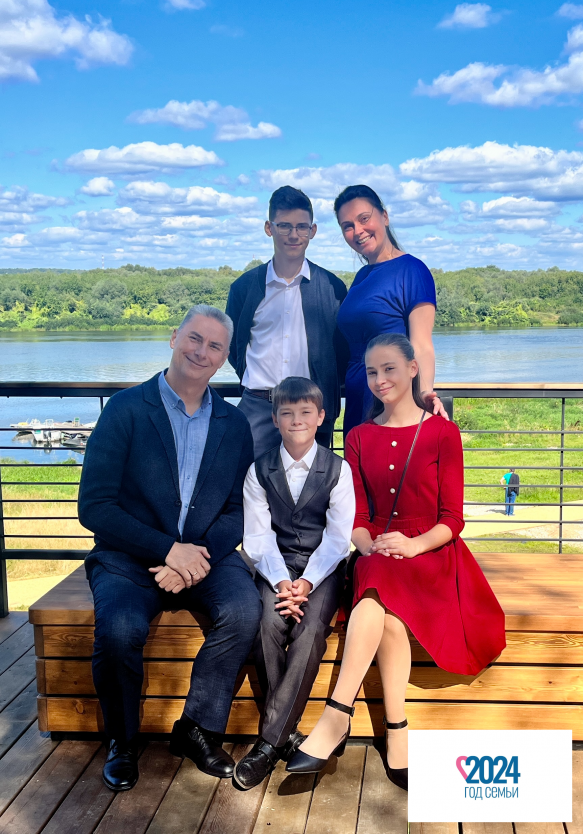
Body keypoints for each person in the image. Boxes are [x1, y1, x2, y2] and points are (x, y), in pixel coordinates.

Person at [287, 333, 506, 790]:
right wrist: (366, 544)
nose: (380, 379)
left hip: (432, 554)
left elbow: (453, 519)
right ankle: (395, 731)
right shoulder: (358, 436)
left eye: (389, 368)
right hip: (377, 551)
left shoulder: (442, 432)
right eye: (372, 372)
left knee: (379, 599)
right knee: (375, 580)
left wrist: (413, 545)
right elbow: (357, 514)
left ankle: (336, 716)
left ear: (412, 369)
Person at [78, 305, 262, 792]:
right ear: (174, 337)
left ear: (225, 357)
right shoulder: (125, 409)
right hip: (127, 556)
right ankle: (122, 741)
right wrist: (167, 550)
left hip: (206, 556)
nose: (201, 352)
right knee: (119, 630)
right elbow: (94, 506)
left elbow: (238, 511)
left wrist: (191, 558)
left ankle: (196, 729)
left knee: (245, 611)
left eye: (215, 346)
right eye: (194, 339)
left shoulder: (233, 423)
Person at [234, 376, 354, 789]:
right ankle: (284, 736)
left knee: (310, 632)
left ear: (321, 417)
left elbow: (338, 538)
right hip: (275, 566)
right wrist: (283, 581)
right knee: (264, 625)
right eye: (287, 413)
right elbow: (257, 536)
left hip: (323, 570)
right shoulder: (259, 470)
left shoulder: (338, 470)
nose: (297, 420)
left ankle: (269, 743)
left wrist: (308, 582)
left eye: (306, 412)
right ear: (275, 419)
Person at [226, 185, 349, 457]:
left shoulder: (333, 288)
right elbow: (233, 347)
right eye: (284, 226)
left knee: (311, 484)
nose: (294, 235)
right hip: (258, 409)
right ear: (269, 228)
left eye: (302, 227)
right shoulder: (244, 288)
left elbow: (342, 352)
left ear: (312, 231)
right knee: (251, 480)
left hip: (312, 410)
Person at [334, 184, 446, 436]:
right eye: (347, 226)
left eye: (364, 219)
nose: (358, 231)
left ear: (384, 216)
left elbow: (421, 344)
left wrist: (424, 394)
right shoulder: (361, 277)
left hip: (392, 403)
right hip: (356, 399)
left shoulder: (412, 270)